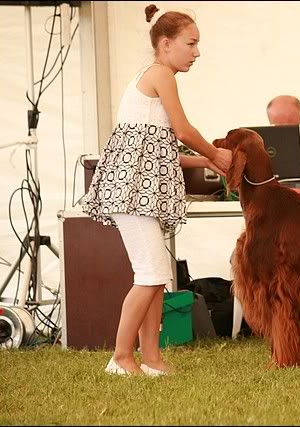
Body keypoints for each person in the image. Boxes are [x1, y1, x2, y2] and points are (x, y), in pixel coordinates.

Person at [82, 4, 231, 375]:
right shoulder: (161, 74)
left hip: (137, 191)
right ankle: (121, 356)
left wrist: (206, 161)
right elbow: (183, 131)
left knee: (155, 275)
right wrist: (216, 154)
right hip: (133, 192)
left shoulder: (151, 77)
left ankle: (151, 358)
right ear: (166, 44)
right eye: (191, 43)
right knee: (149, 274)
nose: (197, 52)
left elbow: (163, 150)